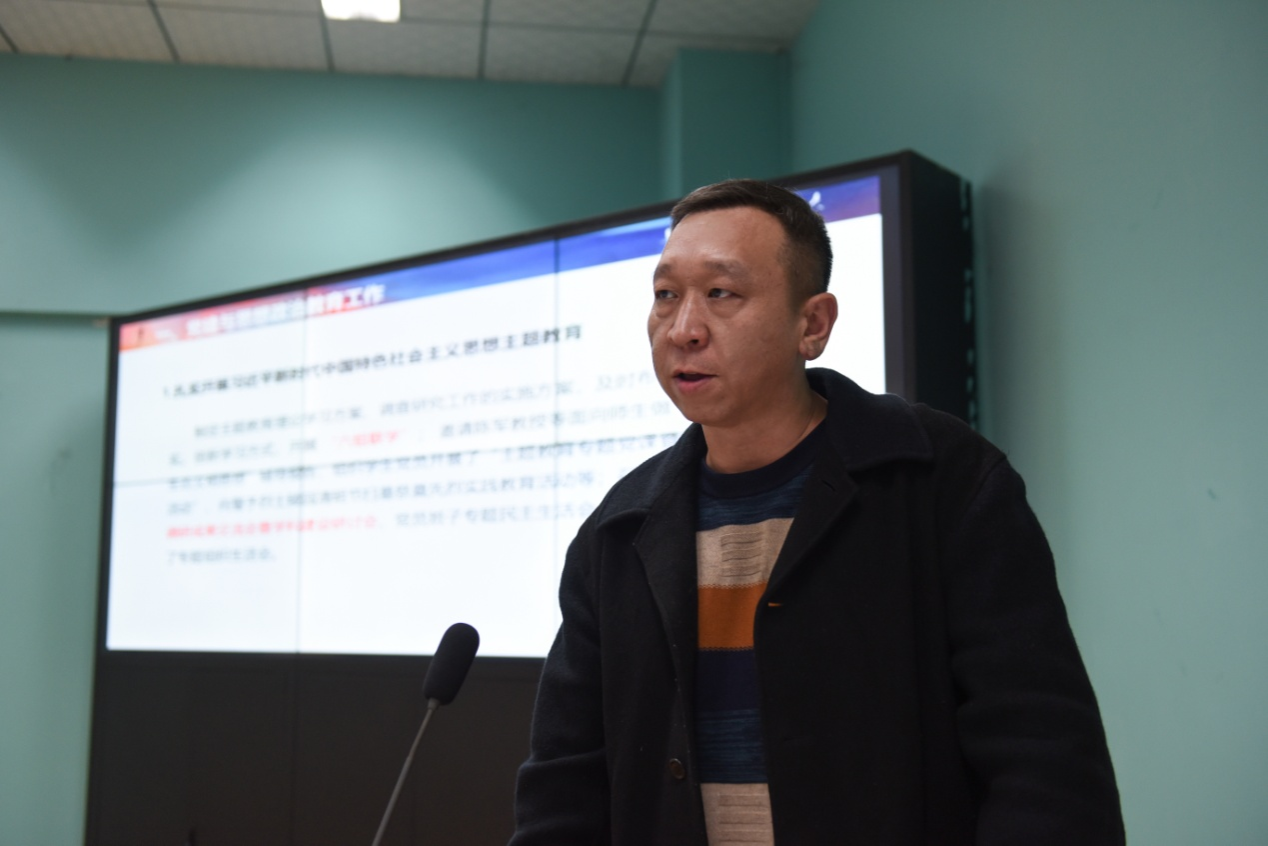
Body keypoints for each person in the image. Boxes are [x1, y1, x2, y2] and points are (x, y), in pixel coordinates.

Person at [508, 179, 1124, 845]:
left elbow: (1043, 764)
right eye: (666, 295)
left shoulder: (940, 479)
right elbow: (565, 786)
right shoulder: (620, 529)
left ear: (813, 325)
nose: (683, 329)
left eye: (721, 293)